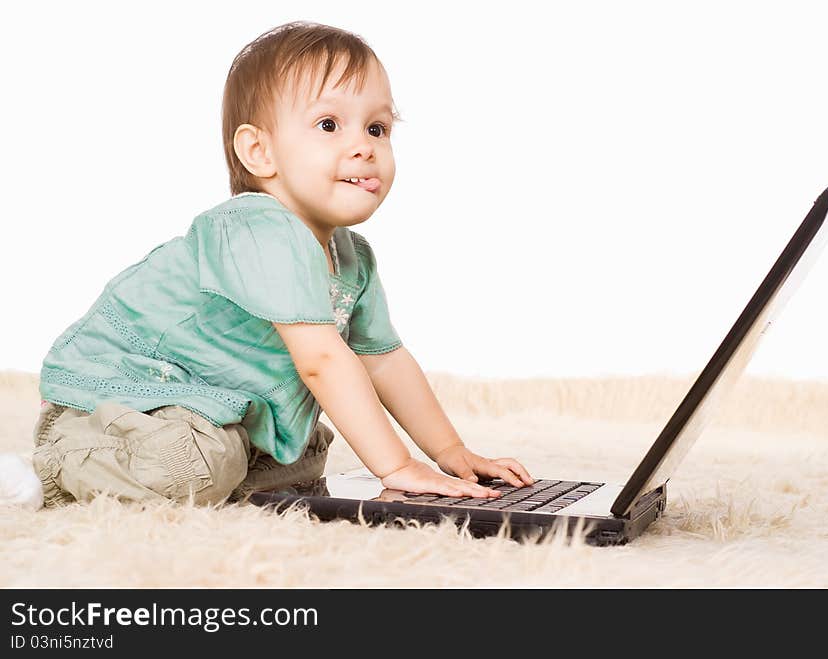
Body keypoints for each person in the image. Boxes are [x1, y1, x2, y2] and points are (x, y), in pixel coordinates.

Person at [26, 21, 534, 509]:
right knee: (199, 466)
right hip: (127, 394)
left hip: (216, 406)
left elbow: (385, 360)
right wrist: (397, 467)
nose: (364, 146)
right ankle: (57, 464)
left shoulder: (351, 256)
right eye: (329, 125)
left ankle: (209, 467)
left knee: (306, 455)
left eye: (377, 128)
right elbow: (322, 361)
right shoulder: (256, 228)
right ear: (258, 151)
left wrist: (449, 453)